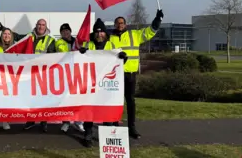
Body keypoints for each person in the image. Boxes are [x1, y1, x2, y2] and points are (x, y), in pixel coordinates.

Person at [109, 9, 164, 139]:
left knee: (130, 101)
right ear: (114, 25)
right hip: (115, 75)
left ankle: (132, 128)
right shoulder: (109, 38)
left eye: (122, 23)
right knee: (115, 102)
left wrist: (157, 20)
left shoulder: (134, 34)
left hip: (130, 74)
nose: (120, 25)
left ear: (125, 24)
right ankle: (115, 125)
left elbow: (149, 32)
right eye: (117, 23)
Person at [0, 19, 56, 132]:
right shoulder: (29, 36)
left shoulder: (51, 40)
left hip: (42, 74)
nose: (40, 27)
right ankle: (31, 120)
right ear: (36, 25)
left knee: (43, 99)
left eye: (43, 25)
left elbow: (54, 55)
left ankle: (43, 122)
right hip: (29, 73)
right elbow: (17, 37)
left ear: (46, 27)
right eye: (39, 24)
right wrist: (5, 28)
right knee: (31, 98)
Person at [79, 18, 127, 148]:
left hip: (107, 84)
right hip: (91, 83)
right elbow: (79, 61)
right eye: (97, 32)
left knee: (107, 109)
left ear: (105, 33)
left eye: (101, 32)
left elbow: (119, 64)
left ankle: (108, 135)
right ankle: (88, 134)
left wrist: (124, 58)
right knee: (89, 109)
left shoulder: (112, 45)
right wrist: (81, 53)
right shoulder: (88, 45)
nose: (99, 34)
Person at [55, 23, 85, 134]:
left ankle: (79, 121)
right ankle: (66, 122)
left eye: (67, 31)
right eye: (63, 32)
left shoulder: (77, 41)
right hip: (64, 74)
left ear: (70, 31)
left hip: (77, 73)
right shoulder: (58, 43)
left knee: (78, 98)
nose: (65, 33)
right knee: (65, 99)